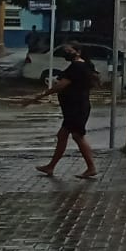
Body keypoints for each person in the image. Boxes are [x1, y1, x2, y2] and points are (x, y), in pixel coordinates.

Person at [31, 43, 99, 180]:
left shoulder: (77, 66)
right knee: (63, 135)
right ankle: (51, 166)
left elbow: (62, 85)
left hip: (76, 107)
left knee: (77, 136)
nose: (66, 53)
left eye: (69, 50)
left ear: (78, 52)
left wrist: (43, 94)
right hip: (76, 106)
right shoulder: (84, 65)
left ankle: (91, 167)